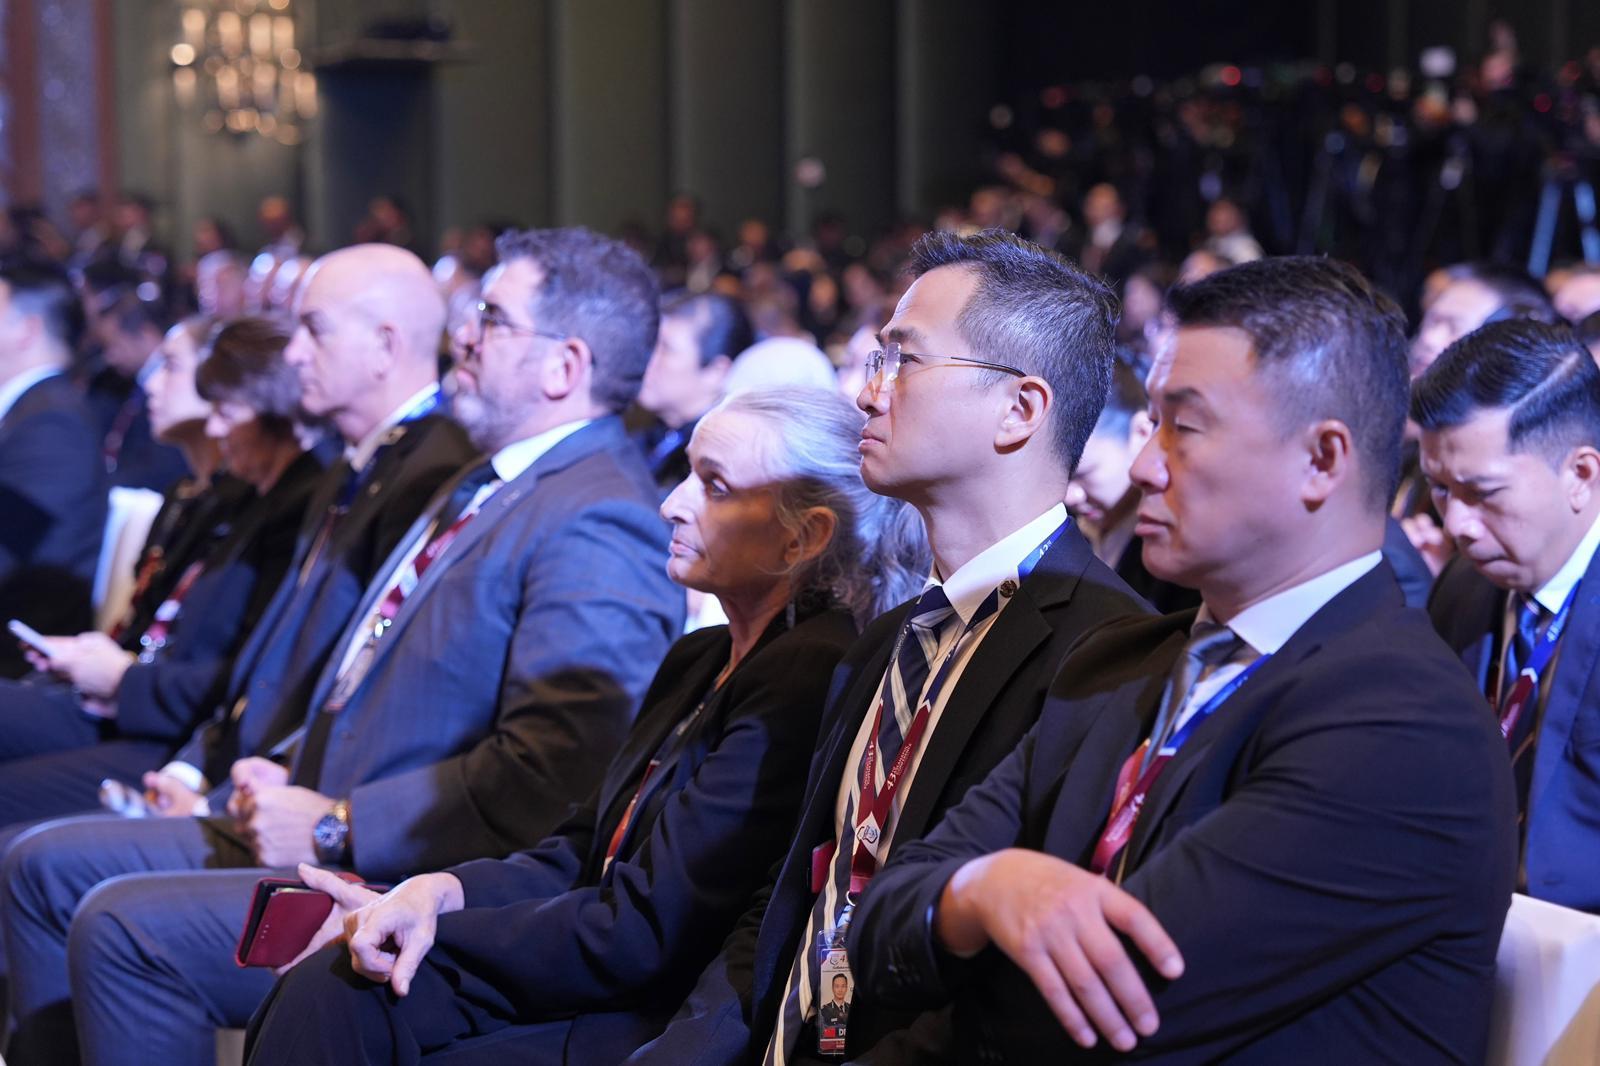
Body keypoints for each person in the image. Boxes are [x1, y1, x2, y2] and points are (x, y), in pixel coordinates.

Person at [2, 227, 689, 1066]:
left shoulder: (596, 513)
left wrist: (338, 823)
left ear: (563, 367)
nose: (461, 333)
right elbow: (361, 666)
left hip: (418, 879)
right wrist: (279, 766)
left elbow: (555, 771)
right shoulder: (489, 476)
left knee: (124, 931)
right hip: (314, 814)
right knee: (41, 867)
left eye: (492, 317)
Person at [846, 256, 1515, 1062]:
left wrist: (960, 911)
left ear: (1323, 460)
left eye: (1184, 429)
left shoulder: (1402, 723)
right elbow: (880, 918)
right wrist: (981, 889)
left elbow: (1099, 1020)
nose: (1143, 467)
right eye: (1149, 423)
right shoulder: (1122, 659)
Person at [245, 387, 927, 1064]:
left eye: (714, 486)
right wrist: (432, 892)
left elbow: (645, 931)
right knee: (334, 986)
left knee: (342, 987)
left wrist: (426, 926)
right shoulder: (704, 654)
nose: (672, 503)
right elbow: (583, 845)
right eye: (688, 472)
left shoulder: (809, 672)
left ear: (801, 536)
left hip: (651, 1019)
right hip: (595, 972)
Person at [626, 229, 1152, 1066]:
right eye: (875, 360)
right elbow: (795, 897)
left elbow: (999, 993)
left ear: (1020, 410)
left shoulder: (1105, 656)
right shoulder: (885, 641)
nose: (867, 395)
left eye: (903, 362)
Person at [0, 243, 478, 1065]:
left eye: (313, 332)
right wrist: (210, 769)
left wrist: (318, 808)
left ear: (386, 342)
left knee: (77, 890)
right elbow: (286, 661)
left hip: (342, 816)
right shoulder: (357, 470)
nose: (294, 355)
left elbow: (392, 688)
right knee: (40, 862)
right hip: (264, 775)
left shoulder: (433, 469)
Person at [0, 316, 325, 825]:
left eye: (226, 408)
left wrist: (123, 678)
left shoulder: (293, 509)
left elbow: (245, 678)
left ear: (272, 408)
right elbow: (153, 628)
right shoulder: (219, 498)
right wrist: (101, 662)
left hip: (174, 733)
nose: (217, 426)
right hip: (136, 707)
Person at [1417, 319, 1600, 913]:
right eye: (1440, 490)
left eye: (1483, 493)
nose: (1457, 526)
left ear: (1580, 475)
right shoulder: (1463, 589)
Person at [0, 261, 106, 678]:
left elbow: (5, 549)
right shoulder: (33, 412)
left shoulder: (51, 422)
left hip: (24, 652)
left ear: (24, 329)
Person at [1066, 357, 1198, 614]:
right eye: (1062, 476)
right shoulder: (1067, 535)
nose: (1069, 496)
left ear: (1140, 432)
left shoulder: (1176, 556)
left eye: (1083, 474)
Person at [635, 291, 751, 493]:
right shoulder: (646, 437)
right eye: (652, 344)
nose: (649, 359)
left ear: (716, 372)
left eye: (666, 349)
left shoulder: (717, 470)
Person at [91, 289, 190, 492]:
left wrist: (99, 488)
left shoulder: (174, 388)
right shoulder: (132, 381)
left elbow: (162, 465)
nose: (110, 357)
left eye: (114, 345)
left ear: (145, 335)